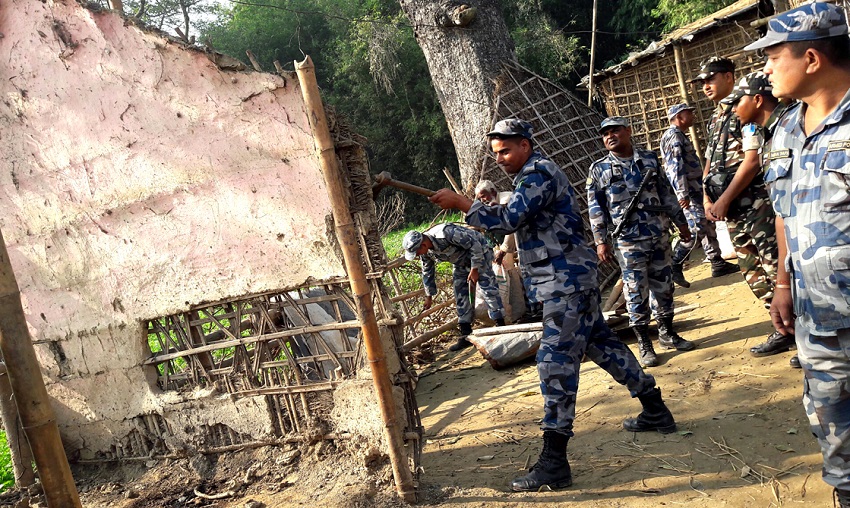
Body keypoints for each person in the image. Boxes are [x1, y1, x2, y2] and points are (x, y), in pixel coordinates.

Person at [429, 118, 678, 492]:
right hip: (568, 280)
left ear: (525, 145)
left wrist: (463, 203)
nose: (500, 159)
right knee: (602, 344)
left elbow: (509, 220)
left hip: (566, 283)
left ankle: (554, 462)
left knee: (554, 362)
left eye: (506, 150)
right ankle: (655, 409)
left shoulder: (538, 173)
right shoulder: (528, 176)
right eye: (495, 153)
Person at [747, 2, 850, 503]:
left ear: (811, 59)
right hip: (817, 316)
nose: (765, 68)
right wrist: (783, 285)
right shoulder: (787, 129)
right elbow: (785, 211)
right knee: (833, 426)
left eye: (773, 55)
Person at [692, 57, 793, 362]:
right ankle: (783, 329)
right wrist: (708, 196)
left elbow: (752, 161)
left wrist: (722, 200)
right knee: (751, 270)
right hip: (731, 208)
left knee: (774, 265)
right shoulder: (716, 118)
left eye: (710, 79)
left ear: (728, 77)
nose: (706, 86)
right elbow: (708, 160)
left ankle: (799, 330)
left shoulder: (748, 113)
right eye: (702, 82)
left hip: (755, 203)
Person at [587, 116, 696, 368]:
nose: (609, 136)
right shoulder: (599, 169)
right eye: (605, 134)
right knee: (636, 290)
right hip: (627, 241)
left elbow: (666, 193)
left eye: (615, 131)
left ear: (628, 131)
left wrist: (681, 223)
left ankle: (667, 333)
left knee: (665, 284)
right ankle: (645, 344)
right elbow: (596, 209)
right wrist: (600, 241)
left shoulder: (648, 160)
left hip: (658, 235)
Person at [725, 71, 800, 368]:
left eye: (737, 102)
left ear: (757, 99)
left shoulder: (792, 125)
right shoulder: (769, 132)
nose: (733, 109)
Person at [659, 103, 739, 288]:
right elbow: (674, 167)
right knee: (695, 230)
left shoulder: (678, 135)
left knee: (707, 225)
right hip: (688, 192)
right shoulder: (674, 137)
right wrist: (682, 193)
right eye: (689, 113)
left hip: (694, 190)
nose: (693, 116)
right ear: (679, 117)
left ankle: (717, 262)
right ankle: (675, 264)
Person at [402, 223, 505, 351]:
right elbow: (427, 271)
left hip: (480, 254)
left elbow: (475, 244)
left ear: (423, 245)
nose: (417, 256)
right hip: (460, 262)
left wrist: (475, 269)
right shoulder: (426, 251)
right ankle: (466, 334)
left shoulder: (446, 233)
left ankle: (501, 327)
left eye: (417, 253)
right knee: (460, 294)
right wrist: (429, 296)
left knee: (488, 290)